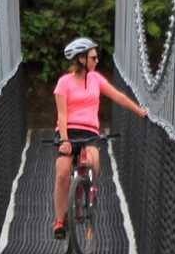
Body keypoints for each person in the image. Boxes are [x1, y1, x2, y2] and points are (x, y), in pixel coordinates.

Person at [51, 37, 148, 239]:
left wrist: (139, 111)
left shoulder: (96, 79)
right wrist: (65, 140)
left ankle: (88, 196)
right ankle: (59, 221)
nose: (96, 61)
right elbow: (61, 115)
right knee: (62, 172)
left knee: (94, 161)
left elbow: (117, 96)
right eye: (93, 57)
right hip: (67, 131)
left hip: (90, 132)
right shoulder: (64, 83)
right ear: (81, 59)